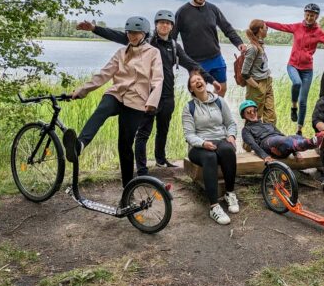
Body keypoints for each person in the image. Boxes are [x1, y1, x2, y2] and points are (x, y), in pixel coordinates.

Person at [77, 10, 221, 173]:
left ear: (172, 27)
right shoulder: (145, 40)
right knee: (143, 132)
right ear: (155, 25)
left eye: (168, 23)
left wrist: (211, 80)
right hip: (148, 94)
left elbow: (191, 63)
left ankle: (161, 160)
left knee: (163, 130)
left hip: (167, 95)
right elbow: (117, 35)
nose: (164, 25)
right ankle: (142, 167)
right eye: (161, 22)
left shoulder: (174, 46)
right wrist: (94, 28)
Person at [64, 16, 164, 188]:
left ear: (144, 34)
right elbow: (104, 75)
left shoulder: (153, 53)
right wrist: (82, 91)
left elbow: (158, 79)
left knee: (125, 146)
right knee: (102, 108)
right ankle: (80, 145)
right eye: (130, 33)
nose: (132, 36)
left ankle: (128, 189)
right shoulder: (120, 53)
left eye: (136, 33)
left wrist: (152, 102)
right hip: (117, 94)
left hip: (137, 101)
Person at [266, 3, 324, 135]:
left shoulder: (318, 32)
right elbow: (282, 26)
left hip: (307, 70)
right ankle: (293, 106)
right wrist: (266, 23)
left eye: (312, 16)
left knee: (303, 101)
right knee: (296, 83)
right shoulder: (297, 27)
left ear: (316, 17)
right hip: (292, 65)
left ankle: (299, 130)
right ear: (305, 14)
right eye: (307, 15)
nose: (309, 18)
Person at [173, 0, 245, 97]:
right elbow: (172, 38)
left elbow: (227, 28)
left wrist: (239, 43)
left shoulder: (213, 9)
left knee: (222, 89)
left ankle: (215, 111)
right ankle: (202, 112)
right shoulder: (182, 12)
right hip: (195, 62)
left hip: (216, 58)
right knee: (198, 95)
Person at [183, 70, 239, 225]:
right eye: (193, 82)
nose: (197, 82)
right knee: (210, 157)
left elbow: (231, 123)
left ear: (205, 82)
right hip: (198, 146)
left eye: (199, 79)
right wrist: (203, 143)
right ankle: (214, 206)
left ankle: (230, 193)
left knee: (228, 150)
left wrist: (231, 136)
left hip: (220, 140)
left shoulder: (219, 101)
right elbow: (189, 134)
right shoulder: (189, 107)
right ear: (191, 89)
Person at [240, 99, 324, 162]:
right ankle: (320, 138)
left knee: (296, 137)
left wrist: (295, 152)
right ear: (244, 115)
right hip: (268, 144)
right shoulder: (246, 130)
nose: (252, 113)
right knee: (282, 139)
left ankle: (320, 141)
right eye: (248, 112)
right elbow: (253, 145)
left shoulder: (268, 124)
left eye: (254, 110)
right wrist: (265, 156)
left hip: (281, 144)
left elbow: (283, 135)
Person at [241, 19, 276, 124]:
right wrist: (257, 86)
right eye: (266, 28)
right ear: (260, 30)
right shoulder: (252, 48)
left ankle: (269, 139)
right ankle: (247, 141)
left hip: (267, 81)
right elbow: (244, 73)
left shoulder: (259, 45)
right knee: (253, 118)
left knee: (271, 117)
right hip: (256, 84)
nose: (267, 30)